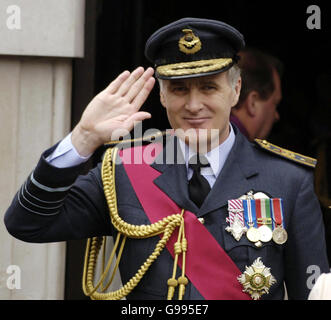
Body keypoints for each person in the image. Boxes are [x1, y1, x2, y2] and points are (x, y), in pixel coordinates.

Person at [4, 17, 329, 300]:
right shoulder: (125, 170)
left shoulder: (289, 181)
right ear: (161, 95)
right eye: (178, 89)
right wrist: (83, 139)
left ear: (235, 90)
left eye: (208, 87)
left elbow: (311, 292)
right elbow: (26, 223)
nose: (193, 104)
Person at [230, 48, 283, 141]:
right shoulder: (238, 150)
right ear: (252, 102)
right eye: (275, 104)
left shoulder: (204, 139)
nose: (276, 116)